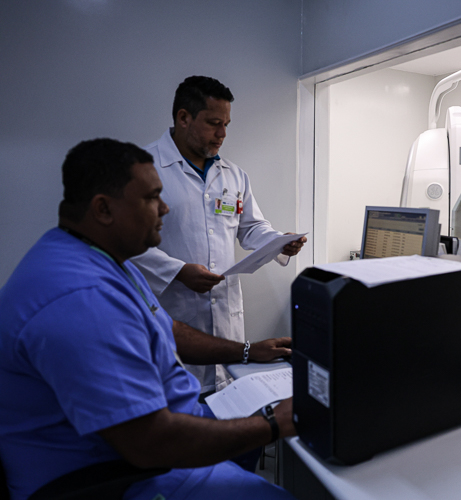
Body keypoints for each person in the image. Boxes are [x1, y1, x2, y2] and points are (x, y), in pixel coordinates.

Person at [0, 139, 295, 500]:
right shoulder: (80, 297)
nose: (165, 208)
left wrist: (247, 351)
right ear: (103, 209)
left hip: (157, 436)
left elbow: (168, 329)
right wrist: (274, 424)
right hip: (112, 476)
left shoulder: (99, 258)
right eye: (153, 198)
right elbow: (151, 442)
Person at [131, 76, 306, 395]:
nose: (223, 134)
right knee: (178, 404)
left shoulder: (234, 175)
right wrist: (178, 271)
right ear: (184, 117)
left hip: (226, 321)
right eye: (214, 124)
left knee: (226, 403)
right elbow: (127, 243)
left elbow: (250, 227)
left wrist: (279, 242)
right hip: (172, 316)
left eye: (226, 124)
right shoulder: (143, 168)